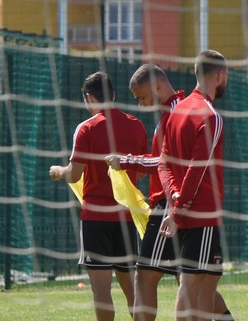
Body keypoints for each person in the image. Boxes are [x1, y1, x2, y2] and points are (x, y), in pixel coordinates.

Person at [111, 64, 234, 321]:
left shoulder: (180, 110)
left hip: (172, 203)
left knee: (150, 275)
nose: (142, 105)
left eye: (141, 98)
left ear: (156, 86)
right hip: (176, 202)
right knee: (194, 281)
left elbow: (166, 163)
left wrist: (128, 161)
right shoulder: (173, 111)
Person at [48, 71, 148, 321]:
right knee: (132, 289)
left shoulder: (86, 128)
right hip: (125, 218)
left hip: (96, 218)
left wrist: (58, 171)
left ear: (89, 98)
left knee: (101, 289)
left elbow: (73, 175)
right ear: (113, 95)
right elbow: (143, 173)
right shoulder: (136, 125)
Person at [157, 50, 230, 321]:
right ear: (220, 75)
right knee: (190, 288)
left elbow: (163, 163)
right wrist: (177, 211)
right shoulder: (210, 116)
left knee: (206, 287)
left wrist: (174, 197)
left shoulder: (176, 112)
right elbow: (196, 171)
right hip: (200, 215)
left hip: (185, 211)